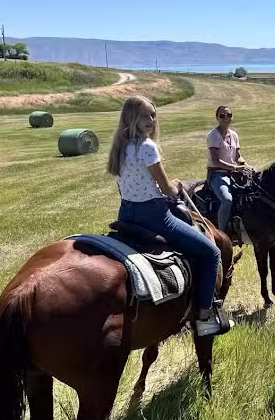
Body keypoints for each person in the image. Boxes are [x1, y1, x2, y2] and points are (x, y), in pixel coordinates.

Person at [107, 96, 227, 337]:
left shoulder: (121, 147)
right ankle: (204, 315)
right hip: (155, 216)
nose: (151, 120)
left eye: (153, 115)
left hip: (126, 213)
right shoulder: (147, 147)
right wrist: (178, 184)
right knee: (212, 253)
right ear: (131, 118)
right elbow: (166, 188)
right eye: (144, 115)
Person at [206, 105, 252, 237]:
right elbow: (215, 161)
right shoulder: (213, 135)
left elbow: (238, 156)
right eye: (222, 116)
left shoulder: (234, 135)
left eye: (229, 115)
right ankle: (222, 234)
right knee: (227, 200)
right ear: (217, 118)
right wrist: (235, 168)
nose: (226, 118)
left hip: (233, 174)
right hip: (217, 174)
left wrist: (246, 166)